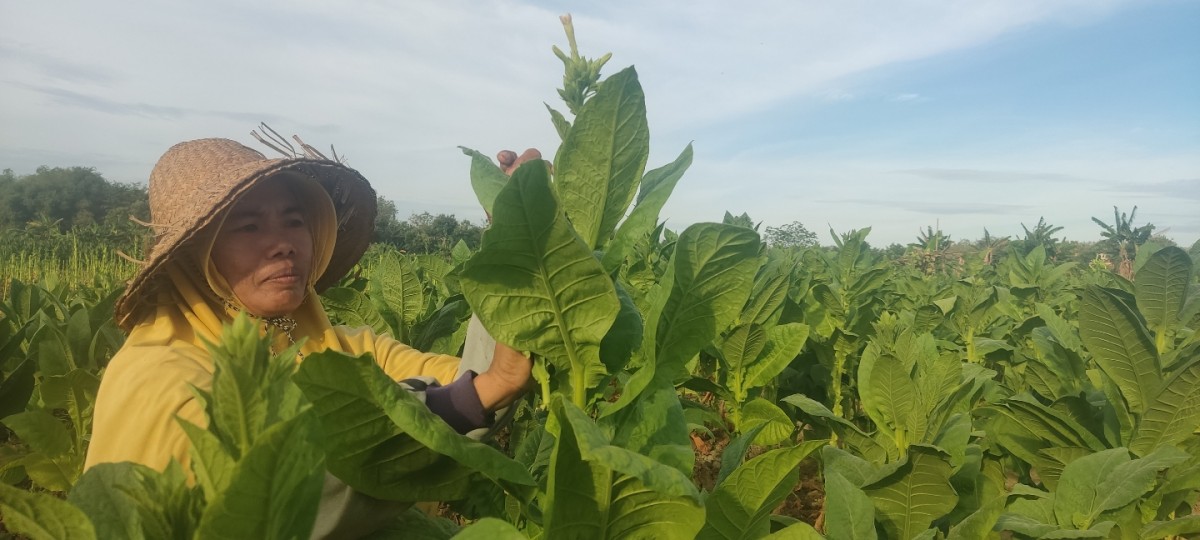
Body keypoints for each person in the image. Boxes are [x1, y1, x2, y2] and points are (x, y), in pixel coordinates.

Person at [84, 137, 534, 535]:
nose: (284, 243)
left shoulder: (339, 349)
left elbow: (471, 380)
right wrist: (484, 390)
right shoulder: (159, 376)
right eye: (248, 225)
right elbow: (289, 498)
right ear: (193, 256)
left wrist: (516, 234)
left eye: (294, 220)